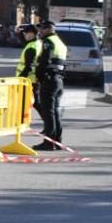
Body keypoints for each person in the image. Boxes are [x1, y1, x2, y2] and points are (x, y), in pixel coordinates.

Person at [33, 20, 67, 151]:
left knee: (48, 113)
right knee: (55, 112)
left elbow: (43, 62)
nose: (40, 31)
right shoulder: (60, 42)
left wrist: (39, 77)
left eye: (41, 29)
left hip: (49, 79)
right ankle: (58, 142)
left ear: (48, 29)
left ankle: (48, 143)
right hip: (58, 80)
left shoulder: (48, 42)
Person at [15, 23, 43, 119]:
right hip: (33, 79)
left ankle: (47, 120)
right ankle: (22, 120)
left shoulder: (31, 47)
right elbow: (24, 41)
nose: (25, 35)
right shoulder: (37, 43)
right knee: (28, 101)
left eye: (26, 33)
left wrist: (21, 78)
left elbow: (28, 66)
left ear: (32, 34)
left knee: (29, 101)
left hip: (28, 79)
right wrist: (19, 33)